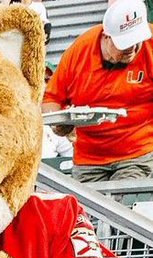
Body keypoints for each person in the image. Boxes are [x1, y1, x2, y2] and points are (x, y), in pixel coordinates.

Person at [42, 0, 153, 182]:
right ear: (106, 36)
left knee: (120, 205)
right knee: (86, 208)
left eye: (137, 41)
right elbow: (51, 99)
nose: (133, 49)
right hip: (89, 159)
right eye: (125, 44)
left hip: (137, 152)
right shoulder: (80, 52)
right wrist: (59, 123)